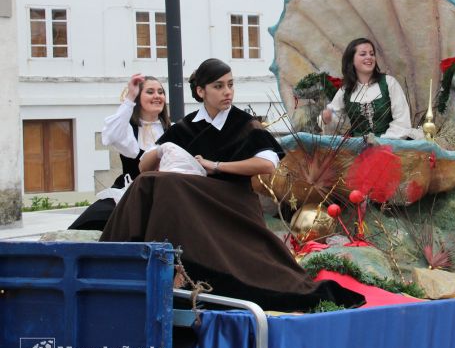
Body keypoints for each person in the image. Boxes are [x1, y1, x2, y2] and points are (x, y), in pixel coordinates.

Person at [101, 58, 364, 312]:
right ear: (200, 91)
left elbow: (267, 164)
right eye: (219, 86)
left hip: (232, 203)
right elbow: (143, 168)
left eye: (230, 84)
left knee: (167, 186)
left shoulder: (243, 123)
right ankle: (114, 262)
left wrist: (215, 166)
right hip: (192, 202)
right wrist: (158, 152)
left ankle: (160, 267)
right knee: (149, 182)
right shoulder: (185, 126)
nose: (227, 92)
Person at [69, 74, 171, 231]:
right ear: (138, 98)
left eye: (161, 92)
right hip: (131, 192)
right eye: (150, 92)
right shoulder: (129, 130)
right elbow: (111, 135)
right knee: (95, 221)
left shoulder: (173, 129)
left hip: (165, 194)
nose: (157, 96)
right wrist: (130, 98)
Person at [320, 38, 422, 139]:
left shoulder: (389, 83)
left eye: (372, 54)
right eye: (363, 54)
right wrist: (327, 119)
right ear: (352, 60)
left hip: (390, 145)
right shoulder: (345, 90)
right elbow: (333, 122)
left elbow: (401, 121)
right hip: (359, 149)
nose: (369, 57)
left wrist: (381, 142)